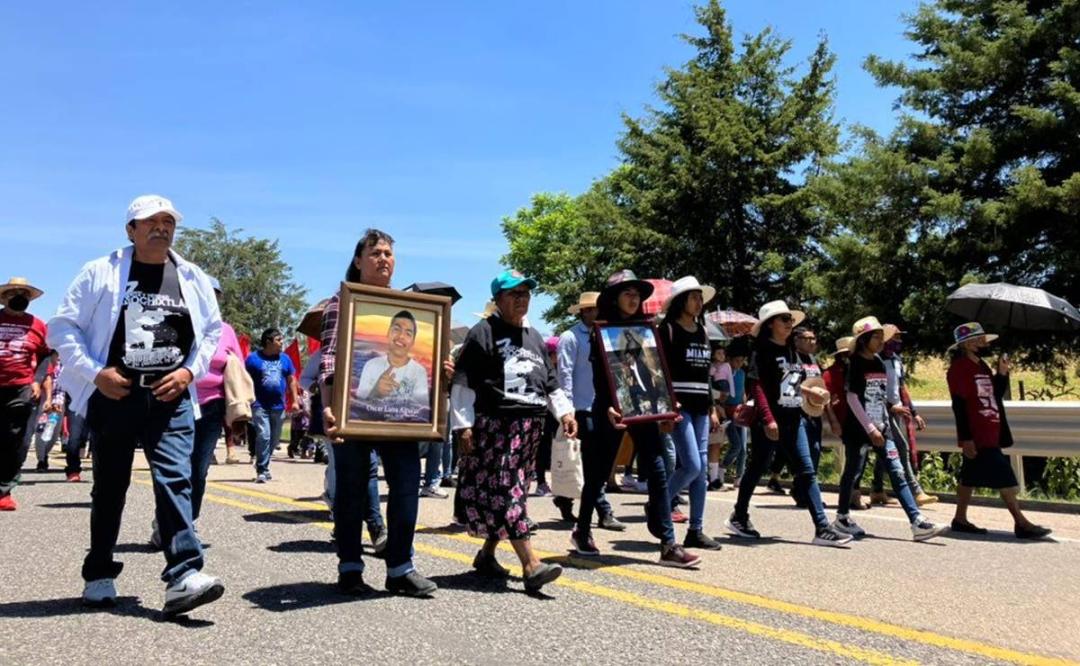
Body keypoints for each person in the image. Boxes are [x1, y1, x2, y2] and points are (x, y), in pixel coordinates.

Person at [48, 194, 224, 614]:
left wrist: (189, 373)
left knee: (176, 479)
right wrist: (95, 373)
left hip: (170, 395)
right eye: (150, 222)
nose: (161, 228)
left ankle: (183, 574)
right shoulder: (100, 272)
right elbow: (62, 327)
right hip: (117, 394)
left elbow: (212, 331)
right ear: (131, 229)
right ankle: (100, 572)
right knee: (110, 486)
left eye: (168, 222)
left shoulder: (193, 277)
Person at [320, 229, 437, 597]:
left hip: (401, 423)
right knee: (352, 491)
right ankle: (350, 567)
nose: (383, 259)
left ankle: (401, 568)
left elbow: (426, 376)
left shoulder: (413, 307)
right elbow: (329, 357)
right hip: (353, 414)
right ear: (358, 261)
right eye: (375, 253)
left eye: (388, 253)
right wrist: (329, 405)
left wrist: (441, 374)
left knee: (406, 487)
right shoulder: (343, 302)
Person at [451, 269, 576, 593]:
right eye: (514, 294)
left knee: (514, 488)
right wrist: (463, 425)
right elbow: (464, 379)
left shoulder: (534, 336)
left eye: (525, 293)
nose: (522, 299)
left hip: (530, 426)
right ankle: (531, 564)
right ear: (498, 300)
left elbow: (549, 382)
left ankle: (487, 555)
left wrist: (564, 412)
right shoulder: (483, 332)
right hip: (497, 425)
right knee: (508, 491)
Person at [573, 270, 701, 568]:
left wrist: (668, 405)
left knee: (657, 470)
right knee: (598, 473)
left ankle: (669, 544)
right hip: (612, 408)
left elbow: (655, 373)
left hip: (644, 407)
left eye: (637, 295)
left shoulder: (647, 330)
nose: (633, 299)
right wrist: (607, 406)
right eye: (627, 293)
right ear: (615, 298)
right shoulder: (601, 330)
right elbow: (600, 377)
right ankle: (581, 530)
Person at [726, 301, 851, 547]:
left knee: (806, 471)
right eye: (783, 319)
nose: (789, 323)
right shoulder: (762, 352)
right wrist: (769, 419)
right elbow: (758, 387)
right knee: (757, 468)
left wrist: (810, 393)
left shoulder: (793, 351)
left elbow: (794, 382)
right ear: (770, 324)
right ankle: (739, 515)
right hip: (769, 422)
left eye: (790, 319)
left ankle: (822, 528)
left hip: (795, 418)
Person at [832, 317, 946, 542]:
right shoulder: (854, 363)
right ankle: (842, 517)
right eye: (876, 336)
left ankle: (917, 521)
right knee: (852, 472)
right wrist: (869, 428)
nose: (881, 340)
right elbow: (853, 398)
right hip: (859, 429)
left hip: (882, 427)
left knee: (897, 472)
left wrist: (893, 408)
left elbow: (879, 395)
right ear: (864, 340)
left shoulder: (878, 362)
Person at [946, 323, 1051, 539]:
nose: (981, 342)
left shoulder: (982, 366)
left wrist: (1002, 374)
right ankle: (1021, 523)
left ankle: (959, 519)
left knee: (969, 478)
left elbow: (995, 394)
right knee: (1005, 477)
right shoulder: (959, 368)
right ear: (965, 344)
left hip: (991, 428)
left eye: (981, 338)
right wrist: (966, 438)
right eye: (976, 339)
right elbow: (958, 404)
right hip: (977, 433)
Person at [659, 276, 723, 550]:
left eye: (700, 297)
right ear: (681, 301)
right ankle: (659, 503)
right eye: (694, 296)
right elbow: (659, 369)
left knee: (701, 473)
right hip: (679, 404)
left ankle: (695, 529)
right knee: (692, 465)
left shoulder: (703, 331)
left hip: (700, 405)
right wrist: (666, 406)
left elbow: (704, 373)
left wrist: (712, 407)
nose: (699, 302)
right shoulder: (668, 329)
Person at [554, 291, 623, 528]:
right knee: (591, 462)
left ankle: (564, 497)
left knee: (594, 461)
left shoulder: (607, 335)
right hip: (581, 407)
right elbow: (564, 374)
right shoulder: (570, 337)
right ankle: (603, 509)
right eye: (593, 309)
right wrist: (568, 409)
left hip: (604, 407)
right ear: (584, 311)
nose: (597, 313)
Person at [188, 277, 244, 523]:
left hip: (213, 405)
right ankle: (167, 520)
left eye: (215, 295)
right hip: (178, 402)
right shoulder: (180, 323)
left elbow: (238, 368)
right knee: (174, 470)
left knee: (199, 470)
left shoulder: (226, 331)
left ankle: (188, 524)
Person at [1, 276, 51, 510]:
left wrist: (38, 380)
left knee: (16, 439)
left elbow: (45, 355)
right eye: (14, 293)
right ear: (4, 297)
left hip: (20, 386)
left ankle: (4, 490)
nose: (19, 298)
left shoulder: (38, 325)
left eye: (24, 294)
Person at [880, 325, 937, 506]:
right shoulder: (876, 360)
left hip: (897, 410)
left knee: (884, 450)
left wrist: (914, 413)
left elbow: (901, 388)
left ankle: (876, 489)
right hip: (882, 411)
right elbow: (874, 390)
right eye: (895, 338)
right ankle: (915, 490)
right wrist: (890, 407)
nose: (899, 341)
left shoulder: (897, 360)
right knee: (901, 447)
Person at [354, 310, 430, 421]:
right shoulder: (370, 365)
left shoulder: (419, 372)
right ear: (388, 333)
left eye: (408, 333)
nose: (401, 336)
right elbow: (357, 411)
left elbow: (421, 414)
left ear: (413, 342)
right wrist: (375, 393)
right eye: (396, 329)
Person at [246, 328, 299, 483]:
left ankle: (263, 464)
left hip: (278, 406)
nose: (282, 342)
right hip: (259, 404)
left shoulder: (285, 359)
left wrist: (295, 401)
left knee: (274, 440)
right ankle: (262, 470)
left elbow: (291, 380)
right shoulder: (253, 359)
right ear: (268, 341)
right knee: (264, 435)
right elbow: (244, 379)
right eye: (279, 340)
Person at [822, 336, 867, 511]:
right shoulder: (830, 374)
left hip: (860, 419)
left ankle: (853, 495)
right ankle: (850, 497)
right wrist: (833, 420)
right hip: (844, 420)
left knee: (860, 459)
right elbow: (826, 399)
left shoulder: (857, 369)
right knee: (854, 460)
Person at [716, 336, 750, 490]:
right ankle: (722, 468)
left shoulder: (742, 373)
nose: (740, 363)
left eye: (742, 360)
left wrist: (744, 404)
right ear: (729, 359)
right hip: (727, 411)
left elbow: (742, 392)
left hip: (739, 410)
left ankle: (739, 477)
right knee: (735, 444)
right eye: (737, 360)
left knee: (743, 447)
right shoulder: (724, 370)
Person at [706, 343, 731, 489]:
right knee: (705, 445)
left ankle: (714, 478)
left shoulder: (724, 369)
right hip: (708, 408)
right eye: (718, 353)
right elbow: (706, 389)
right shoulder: (708, 369)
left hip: (718, 410)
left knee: (715, 444)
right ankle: (705, 478)